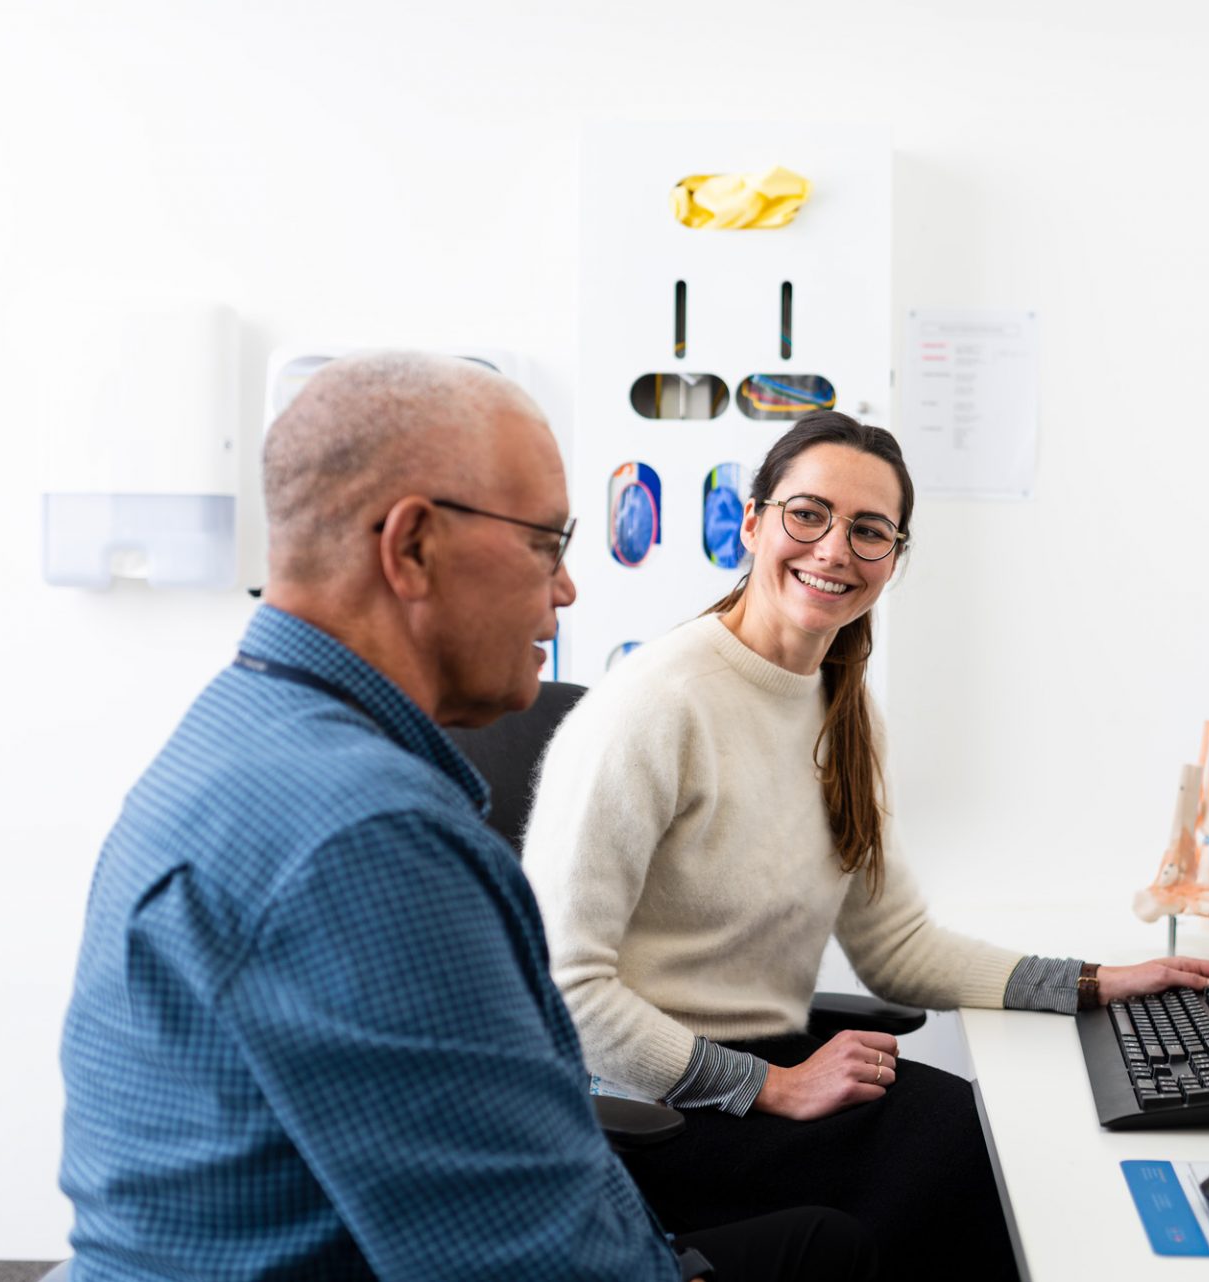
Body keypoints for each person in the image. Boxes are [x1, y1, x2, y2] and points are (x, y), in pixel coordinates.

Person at [58, 353, 874, 1281]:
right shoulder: (366, 841)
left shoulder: (248, 727)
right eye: (545, 546)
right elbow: (540, 1266)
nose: (566, 591)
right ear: (411, 548)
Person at [526, 410, 1209, 1277]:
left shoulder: (841, 711)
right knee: (959, 1160)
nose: (833, 550)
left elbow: (895, 949)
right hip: (647, 1113)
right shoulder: (656, 706)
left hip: (746, 1075)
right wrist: (774, 1087)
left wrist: (1095, 983)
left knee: (984, 1136)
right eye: (807, 514)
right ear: (752, 523)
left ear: (893, 560)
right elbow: (567, 993)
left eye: (869, 531)